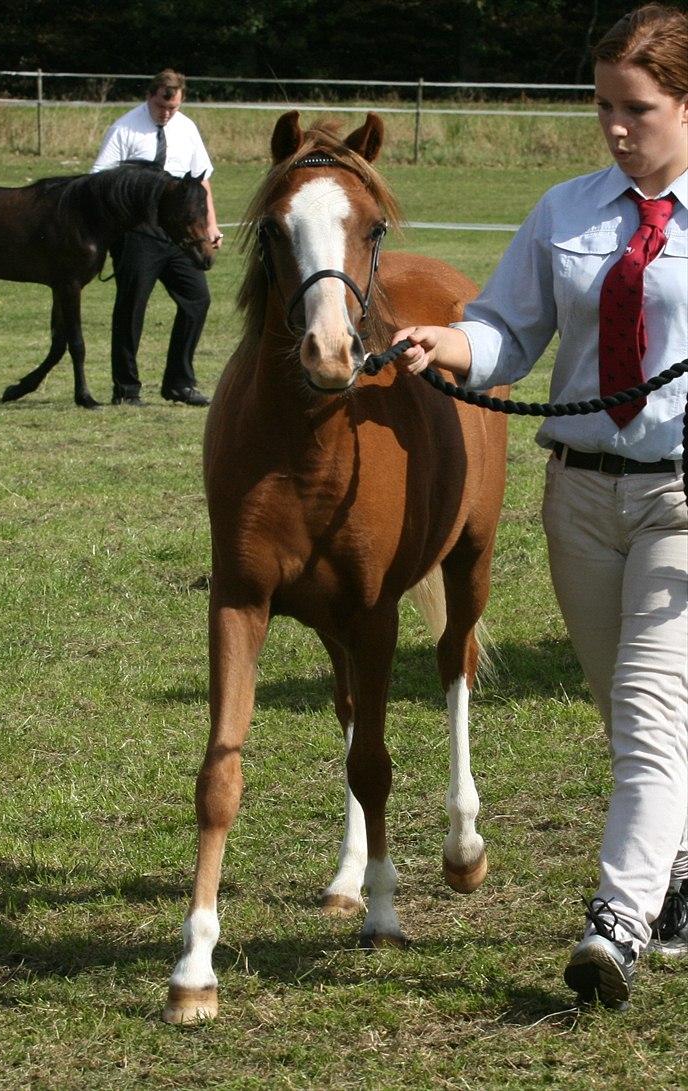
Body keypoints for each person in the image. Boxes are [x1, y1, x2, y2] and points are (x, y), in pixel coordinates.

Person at [392, 4, 688, 1008]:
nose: (611, 126)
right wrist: (444, 344)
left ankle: (615, 923)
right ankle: (678, 869)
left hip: (679, 505)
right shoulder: (565, 210)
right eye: (600, 105)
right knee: (621, 710)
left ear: (684, 106)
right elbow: (502, 330)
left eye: (634, 109)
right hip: (579, 497)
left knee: (649, 713)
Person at [92, 69, 222, 406]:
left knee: (197, 299)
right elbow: (100, 179)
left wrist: (211, 225)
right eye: (162, 106)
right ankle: (126, 389)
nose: (167, 113)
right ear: (150, 95)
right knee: (132, 306)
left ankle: (179, 383)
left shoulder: (187, 128)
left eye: (173, 108)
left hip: (179, 233)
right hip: (138, 233)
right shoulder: (124, 127)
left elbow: (202, 182)